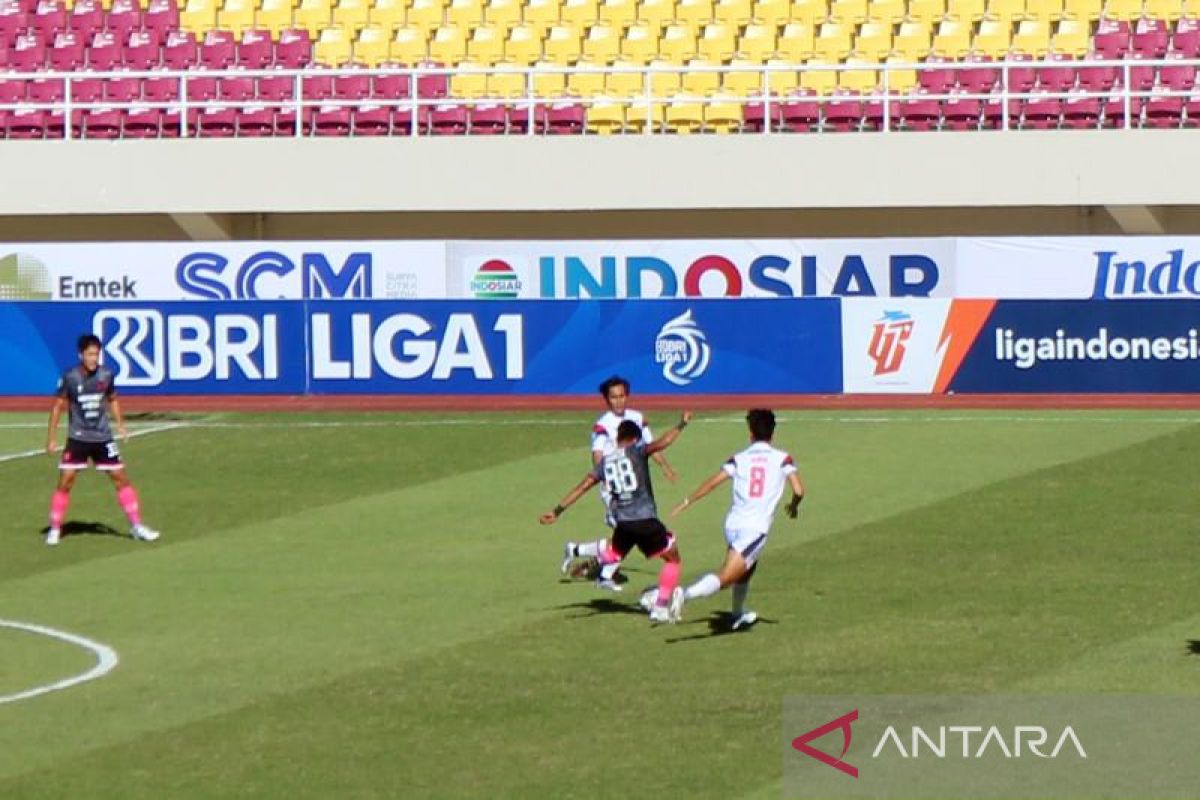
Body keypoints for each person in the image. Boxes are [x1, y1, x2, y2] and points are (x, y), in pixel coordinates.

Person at [541, 411, 692, 623]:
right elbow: (663, 442)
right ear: (634, 438)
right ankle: (660, 606)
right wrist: (682, 424)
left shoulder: (605, 463)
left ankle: (588, 558)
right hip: (645, 519)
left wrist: (556, 511)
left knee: (617, 551)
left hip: (624, 522)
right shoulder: (638, 452)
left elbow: (582, 487)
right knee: (673, 558)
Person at [666, 409, 803, 630]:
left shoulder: (739, 458)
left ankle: (738, 613)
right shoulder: (782, 458)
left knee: (748, 568)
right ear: (772, 433)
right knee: (726, 577)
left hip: (733, 524)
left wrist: (687, 501)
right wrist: (793, 506)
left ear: (750, 433)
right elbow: (798, 490)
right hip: (754, 529)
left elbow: (712, 482)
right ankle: (685, 594)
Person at [44, 334, 161, 547]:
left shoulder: (106, 375)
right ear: (81, 355)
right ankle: (54, 528)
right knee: (65, 480)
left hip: (102, 437)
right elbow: (58, 406)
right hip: (78, 437)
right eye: (90, 354)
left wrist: (121, 425)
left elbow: (113, 399)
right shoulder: (70, 377)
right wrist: (51, 438)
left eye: (96, 354)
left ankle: (136, 526)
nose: (93, 358)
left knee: (120, 478)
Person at [560, 376, 678, 585]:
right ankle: (603, 572)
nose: (618, 401)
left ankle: (580, 554)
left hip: (634, 484)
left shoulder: (636, 418)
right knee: (629, 530)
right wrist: (604, 482)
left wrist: (665, 467)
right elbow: (597, 455)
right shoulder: (602, 425)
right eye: (613, 397)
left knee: (627, 534)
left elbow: (649, 446)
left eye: (622, 396)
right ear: (607, 400)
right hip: (614, 487)